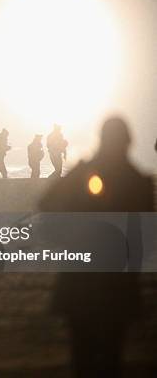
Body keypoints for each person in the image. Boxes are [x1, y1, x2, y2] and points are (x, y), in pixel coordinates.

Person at [40, 117, 154, 377]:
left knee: (83, 357)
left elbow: (47, 203)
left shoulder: (83, 172)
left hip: (79, 280)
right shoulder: (139, 182)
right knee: (112, 357)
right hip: (117, 282)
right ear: (128, 142)